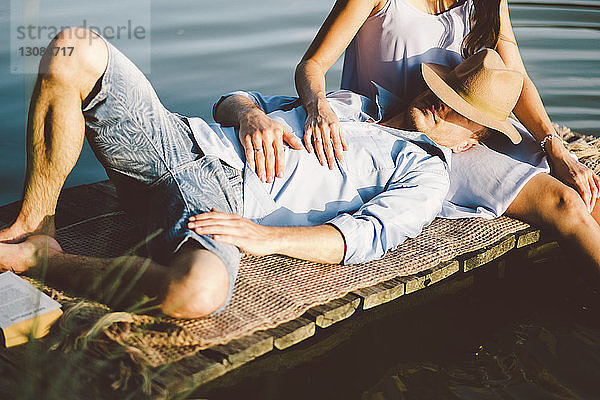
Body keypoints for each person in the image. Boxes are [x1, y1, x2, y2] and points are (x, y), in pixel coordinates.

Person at [1, 28, 520, 318]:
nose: (437, 102)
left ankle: (41, 260)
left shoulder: (425, 175)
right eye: (444, 90)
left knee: (197, 294)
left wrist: (265, 237)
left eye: (456, 109)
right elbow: (233, 98)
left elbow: (360, 238)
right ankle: (35, 221)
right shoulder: (352, 102)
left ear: (473, 138)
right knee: (73, 48)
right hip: (178, 141)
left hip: (221, 206)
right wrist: (250, 116)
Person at [281, 0, 600, 266]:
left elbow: (516, 77)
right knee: (566, 203)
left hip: (466, 126)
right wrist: (317, 106)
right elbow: (312, 64)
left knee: (591, 194)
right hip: (409, 138)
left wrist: (556, 149)